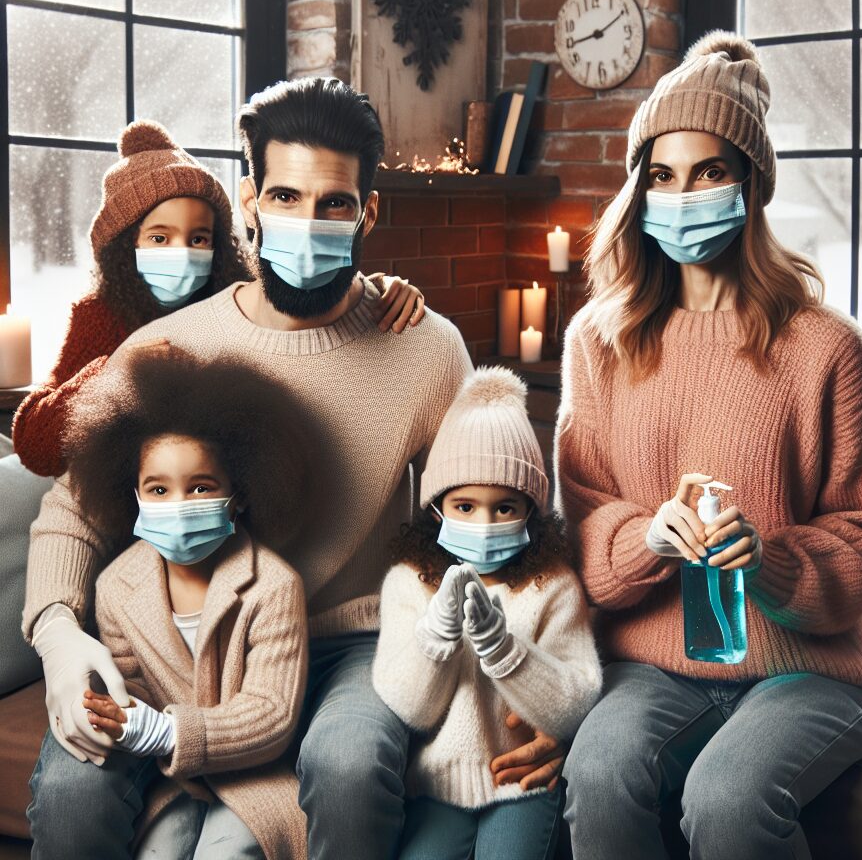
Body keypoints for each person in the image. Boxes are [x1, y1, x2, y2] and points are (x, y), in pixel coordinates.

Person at [23, 77, 561, 860]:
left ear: (367, 213)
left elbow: (495, 519)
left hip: (353, 643)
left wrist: (536, 685)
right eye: (284, 197)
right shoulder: (173, 344)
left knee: (348, 764)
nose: (306, 224)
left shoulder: (426, 346)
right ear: (249, 202)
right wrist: (59, 637)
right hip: (186, 643)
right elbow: (71, 513)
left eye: (333, 205)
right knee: (73, 790)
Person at [556, 31, 862, 860]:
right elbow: (585, 518)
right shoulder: (598, 341)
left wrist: (768, 561)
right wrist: (645, 537)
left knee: (727, 799)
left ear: (750, 184)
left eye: (710, 172)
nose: (684, 195)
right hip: (648, 661)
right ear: (640, 192)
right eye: (663, 176)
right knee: (598, 775)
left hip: (807, 666)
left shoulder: (826, 346)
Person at [13, 119, 425, 479]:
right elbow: (35, 444)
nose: (183, 252)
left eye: (199, 238)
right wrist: (117, 372)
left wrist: (376, 290)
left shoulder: (234, 301)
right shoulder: (101, 316)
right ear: (125, 245)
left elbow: (303, 296)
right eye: (159, 237)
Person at [42, 350, 326, 859]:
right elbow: (127, 690)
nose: (179, 506)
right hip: (167, 779)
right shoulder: (116, 588)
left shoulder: (274, 586)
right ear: (133, 495)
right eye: (159, 489)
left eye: (200, 487)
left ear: (237, 494)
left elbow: (272, 715)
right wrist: (108, 712)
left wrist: (167, 730)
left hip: (251, 778)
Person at [373, 367, 601, 860]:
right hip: (434, 787)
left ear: (530, 509)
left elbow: (574, 703)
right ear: (437, 508)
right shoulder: (409, 583)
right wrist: (436, 636)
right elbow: (410, 709)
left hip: (521, 785)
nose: (483, 522)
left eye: (504, 507)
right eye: (465, 505)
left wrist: (504, 648)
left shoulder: (553, 586)